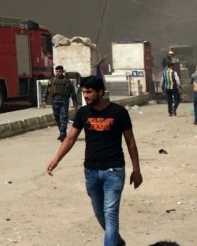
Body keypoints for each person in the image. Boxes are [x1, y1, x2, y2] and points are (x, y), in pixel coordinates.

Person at [45, 76, 142, 246]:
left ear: (100, 92)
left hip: (114, 171)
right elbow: (70, 139)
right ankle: (117, 242)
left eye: (89, 92)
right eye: (83, 92)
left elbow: (131, 142)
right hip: (91, 171)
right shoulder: (83, 113)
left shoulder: (119, 112)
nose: (86, 96)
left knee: (110, 213)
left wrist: (136, 169)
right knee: (100, 213)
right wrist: (56, 159)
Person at [43, 65, 79, 141]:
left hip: (64, 101)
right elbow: (46, 90)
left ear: (62, 72)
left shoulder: (66, 81)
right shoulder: (52, 80)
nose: (58, 73)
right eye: (57, 71)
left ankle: (63, 134)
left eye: (59, 71)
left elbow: (72, 92)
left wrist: (75, 103)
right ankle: (61, 132)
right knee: (57, 117)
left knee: (63, 117)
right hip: (55, 101)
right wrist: (44, 100)